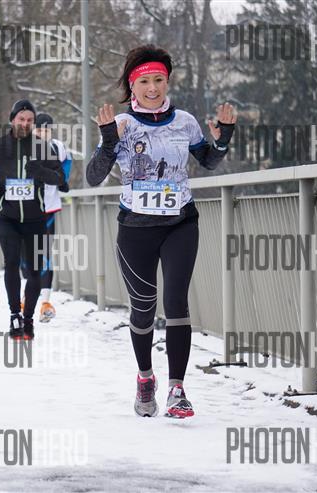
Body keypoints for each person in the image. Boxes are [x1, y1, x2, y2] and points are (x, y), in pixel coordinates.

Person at [86, 45, 236, 418]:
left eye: (159, 80)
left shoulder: (184, 121)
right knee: (143, 308)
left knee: (176, 301)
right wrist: (108, 140)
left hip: (180, 223)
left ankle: (177, 389)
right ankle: (145, 377)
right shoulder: (122, 125)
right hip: (135, 230)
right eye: (144, 82)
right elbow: (92, 177)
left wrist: (223, 139)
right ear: (132, 87)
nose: (152, 88)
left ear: (167, 82)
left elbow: (208, 161)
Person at [0, 99, 64, 340]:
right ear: (12, 119)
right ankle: (14, 315)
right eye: (21, 119)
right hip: (8, 217)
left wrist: (41, 172)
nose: (25, 124)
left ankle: (28, 319)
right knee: (12, 263)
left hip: (36, 218)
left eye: (29, 120)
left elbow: (60, 178)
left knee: (34, 271)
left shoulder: (43, 147)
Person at [30, 113, 72, 322]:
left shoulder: (58, 147)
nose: (42, 134)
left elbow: (67, 162)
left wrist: (63, 180)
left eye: (46, 130)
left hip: (48, 208)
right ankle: (26, 296)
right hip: (25, 210)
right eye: (38, 130)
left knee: (45, 253)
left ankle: (45, 302)